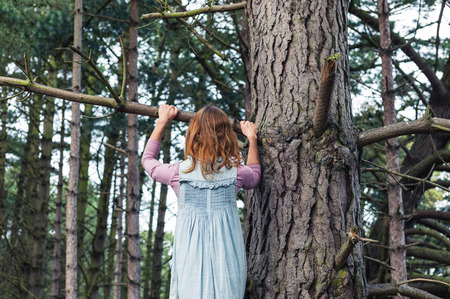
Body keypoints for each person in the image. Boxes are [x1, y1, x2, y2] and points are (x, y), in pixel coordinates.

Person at [142, 104, 261, 298]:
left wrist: (162, 121)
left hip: (190, 259)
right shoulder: (236, 172)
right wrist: (252, 139)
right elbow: (255, 177)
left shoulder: (178, 172)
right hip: (227, 259)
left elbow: (148, 162)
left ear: (193, 135)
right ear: (226, 136)